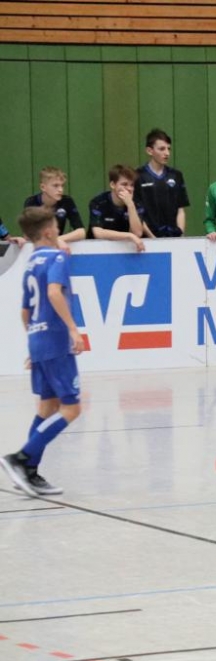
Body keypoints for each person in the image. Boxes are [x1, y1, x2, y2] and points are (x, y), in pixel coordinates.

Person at [0, 207, 86, 497]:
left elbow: (25, 312)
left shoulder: (30, 263)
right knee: (72, 408)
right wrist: (73, 330)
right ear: (48, 231)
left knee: (46, 408)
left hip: (38, 341)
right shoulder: (57, 257)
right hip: (56, 341)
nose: (59, 230)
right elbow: (53, 293)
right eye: (56, 227)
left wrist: (34, 345)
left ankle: (29, 472)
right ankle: (20, 458)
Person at [135, 128, 189, 237]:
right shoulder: (138, 176)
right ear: (149, 151)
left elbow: (180, 209)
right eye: (162, 149)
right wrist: (152, 238)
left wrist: (180, 235)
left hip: (172, 238)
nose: (167, 153)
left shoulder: (176, 175)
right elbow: (136, 212)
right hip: (147, 239)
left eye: (169, 149)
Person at [88, 165, 147, 252]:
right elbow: (98, 233)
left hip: (127, 252)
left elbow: (137, 233)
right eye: (124, 184)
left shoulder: (136, 203)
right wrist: (128, 236)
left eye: (132, 185)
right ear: (112, 185)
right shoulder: (98, 202)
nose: (129, 189)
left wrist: (130, 205)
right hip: (98, 251)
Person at [23, 167, 85, 245]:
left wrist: (58, 239)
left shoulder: (67, 201)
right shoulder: (31, 202)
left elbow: (81, 232)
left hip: (58, 243)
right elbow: (28, 235)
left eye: (62, 186)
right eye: (56, 186)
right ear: (43, 187)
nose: (60, 190)